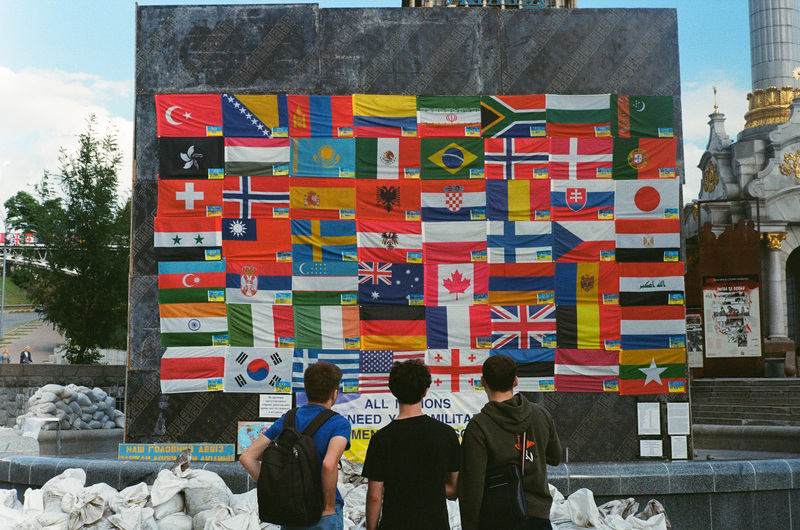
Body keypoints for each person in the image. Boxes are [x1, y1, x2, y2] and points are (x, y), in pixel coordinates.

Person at [240, 362, 352, 529]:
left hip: (291, 508)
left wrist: (277, 488)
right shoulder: (338, 423)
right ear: (334, 394)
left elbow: (247, 457)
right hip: (321, 510)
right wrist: (328, 507)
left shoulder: (287, 419)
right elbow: (329, 465)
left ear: (307, 391)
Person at [459, 354, 562, 530]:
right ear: (515, 381)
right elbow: (555, 457)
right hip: (538, 517)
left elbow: (472, 487)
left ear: (483, 382)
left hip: (497, 517)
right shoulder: (541, 415)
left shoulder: (479, 426)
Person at [362, 359, 460, 530]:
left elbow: (374, 496)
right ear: (425, 391)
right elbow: (454, 488)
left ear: (393, 392)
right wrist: (429, 486)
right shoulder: (447, 434)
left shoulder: (381, 439)